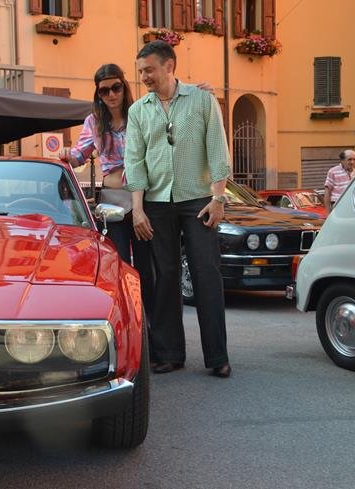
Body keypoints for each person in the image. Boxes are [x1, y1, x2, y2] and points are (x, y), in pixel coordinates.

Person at [124, 41, 232, 378]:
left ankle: (217, 356)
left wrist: (218, 198)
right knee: (165, 277)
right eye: (141, 71)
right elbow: (134, 161)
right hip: (156, 203)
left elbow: (218, 149)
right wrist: (138, 209)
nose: (144, 77)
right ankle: (169, 354)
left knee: (206, 274)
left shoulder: (202, 100)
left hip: (198, 200)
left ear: (169, 66)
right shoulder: (138, 111)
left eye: (149, 70)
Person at [58, 63, 155, 331]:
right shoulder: (94, 121)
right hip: (114, 202)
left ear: (124, 87)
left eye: (116, 88)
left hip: (145, 198)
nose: (111, 95)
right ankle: (127, 326)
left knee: (148, 267)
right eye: (104, 91)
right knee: (119, 264)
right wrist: (66, 154)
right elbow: (79, 155)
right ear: (98, 94)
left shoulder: (139, 114)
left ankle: (151, 329)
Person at [324, 150, 355, 214]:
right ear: (342, 160)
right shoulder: (333, 171)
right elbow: (327, 192)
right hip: (338, 204)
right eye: (349, 159)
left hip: (353, 205)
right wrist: (328, 213)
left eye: (354, 159)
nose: (352, 162)